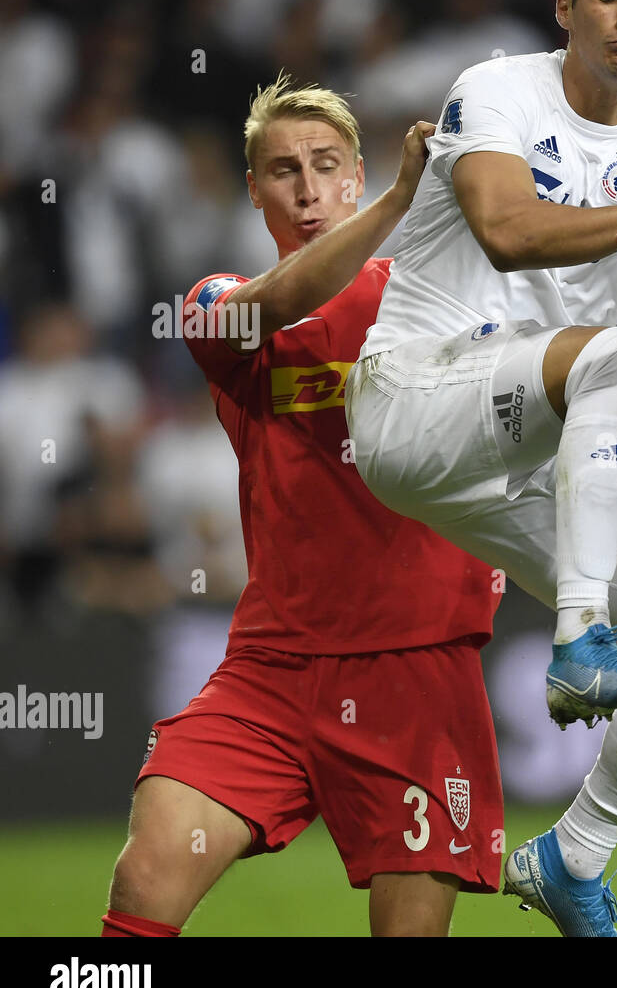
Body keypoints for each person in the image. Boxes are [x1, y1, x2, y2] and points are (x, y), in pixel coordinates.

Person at [346, 0, 617, 936]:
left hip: (535, 442)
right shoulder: (493, 88)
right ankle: (579, 642)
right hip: (415, 400)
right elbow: (505, 228)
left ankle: (573, 856)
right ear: (565, 6)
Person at [101, 76, 503, 938]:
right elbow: (282, 301)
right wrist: (404, 197)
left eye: (326, 166)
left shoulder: (437, 299)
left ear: (353, 174)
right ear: (254, 191)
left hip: (415, 665)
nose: (309, 188)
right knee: (148, 873)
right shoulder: (220, 307)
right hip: (273, 667)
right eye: (284, 171)